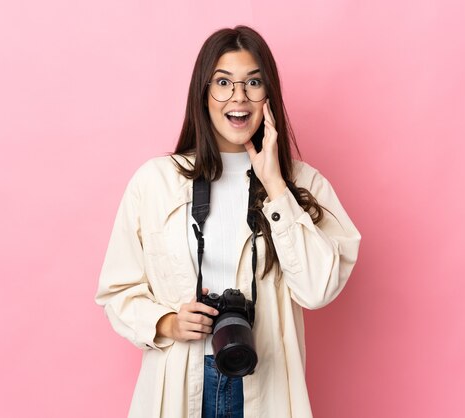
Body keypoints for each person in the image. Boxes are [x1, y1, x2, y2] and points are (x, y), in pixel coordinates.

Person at [95, 25, 361, 418]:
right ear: (203, 94)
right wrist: (167, 322)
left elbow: (318, 289)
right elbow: (117, 290)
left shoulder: (304, 184)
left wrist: (275, 185)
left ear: (269, 95)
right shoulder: (155, 182)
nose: (239, 96)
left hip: (266, 384)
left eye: (253, 82)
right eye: (223, 82)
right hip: (180, 380)